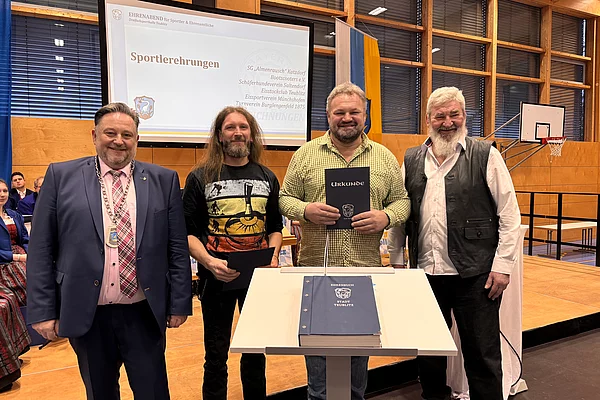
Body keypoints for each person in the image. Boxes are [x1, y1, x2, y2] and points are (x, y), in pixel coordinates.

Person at [26, 102, 193, 400]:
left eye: (127, 135)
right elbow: (40, 249)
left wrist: (180, 303)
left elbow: (177, 247)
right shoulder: (61, 176)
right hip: (87, 312)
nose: (119, 141)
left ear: (137, 139)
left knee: (153, 392)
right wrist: (42, 311)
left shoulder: (163, 180)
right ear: (94, 135)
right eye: (110, 133)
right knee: (100, 393)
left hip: (144, 311)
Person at [279, 82, 410, 400]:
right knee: (319, 373)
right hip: (315, 272)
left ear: (365, 115)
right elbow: (284, 198)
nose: (347, 118)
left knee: (356, 371)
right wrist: (306, 210)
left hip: (365, 273)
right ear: (328, 115)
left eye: (354, 112)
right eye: (340, 112)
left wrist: (385, 217)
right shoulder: (305, 154)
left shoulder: (383, 157)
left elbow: (402, 201)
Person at [389, 86, 521, 400]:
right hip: (425, 274)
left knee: (482, 354)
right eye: (440, 116)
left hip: (475, 276)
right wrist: (396, 261)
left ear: (464, 117)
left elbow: (509, 215)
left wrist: (502, 267)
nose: (447, 122)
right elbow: (401, 212)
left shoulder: (486, 155)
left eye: (454, 115)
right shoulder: (411, 159)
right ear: (428, 120)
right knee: (428, 353)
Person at [183, 106, 283, 400]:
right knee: (216, 356)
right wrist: (209, 262)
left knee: (256, 353)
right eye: (230, 127)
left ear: (251, 135)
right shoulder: (200, 177)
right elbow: (187, 233)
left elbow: (275, 228)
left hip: (257, 279)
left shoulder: (267, 176)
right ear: (219, 135)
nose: (237, 133)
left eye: (243, 127)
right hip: (216, 278)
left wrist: (273, 257)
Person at [0, 178, 31, 392]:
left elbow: (25, 239)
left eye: (4, 190)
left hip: (21, 255)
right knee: (25, 282)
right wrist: (17, 257)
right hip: (4, 261)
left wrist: (30, 254)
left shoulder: (14, 214)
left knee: (45, 277)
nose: (1, 194)